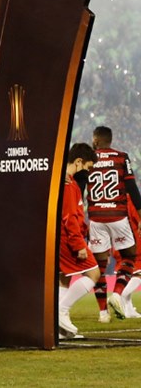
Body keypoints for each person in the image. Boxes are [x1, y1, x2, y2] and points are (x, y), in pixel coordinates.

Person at [86, 126, 141, 321]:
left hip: (95, 218)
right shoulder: (122, 157)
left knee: (100, 267)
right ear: (110, 140)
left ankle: (103, 313)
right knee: (129, 257)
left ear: (96, 140)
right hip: (118, 215)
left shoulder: (88, 158)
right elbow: (132, 188)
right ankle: (117, 294)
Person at [58, 143, 101, 339]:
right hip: (68, 240)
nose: (88, 172)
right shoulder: (67, 185)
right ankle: (61, 312)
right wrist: (78, 245)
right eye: (88, 167)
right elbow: (69, 218)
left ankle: (58, 326)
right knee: (94, 273)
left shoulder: (68, 182)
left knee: (63, 278)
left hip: (64, 238)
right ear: (78, 162)